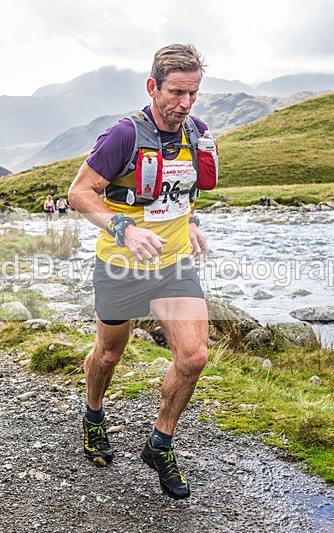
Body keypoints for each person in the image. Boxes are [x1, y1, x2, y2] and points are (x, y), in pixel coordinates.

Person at [68, 43, 216, 500]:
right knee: (109, 355)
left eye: (193, 93)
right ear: (152, 87)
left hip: (173, 264)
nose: (185, 103)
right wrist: (123, 229)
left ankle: (161, 442)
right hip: (120, 265)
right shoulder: (124, 136)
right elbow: (80, 192)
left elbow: (181, 189)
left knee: (193, 357)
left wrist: (189, 221)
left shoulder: (198, 132)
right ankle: (94, 414)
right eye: (176, 92)